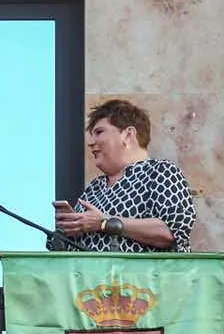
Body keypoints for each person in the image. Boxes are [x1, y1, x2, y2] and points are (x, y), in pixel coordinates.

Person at [51, 98, 196, 253]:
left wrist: (104, 222)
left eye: (99, 132)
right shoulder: (94, 189)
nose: (91, 142)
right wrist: (68, 229)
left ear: (128, 135)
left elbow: (171, 232)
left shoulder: (161, 172)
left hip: (141, 270)